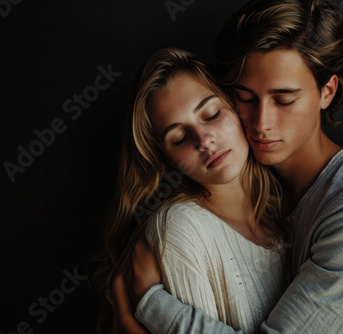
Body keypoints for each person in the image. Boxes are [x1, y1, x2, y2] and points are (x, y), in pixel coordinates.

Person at [116, 0, 343, 333]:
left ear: (326, 92)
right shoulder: (252, 195)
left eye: (284, 99)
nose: (261, 123)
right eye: (245, 98)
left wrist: (148, 306)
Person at [89, 47, 291, 334]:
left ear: (235, 106)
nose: (205, 141)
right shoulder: (180, 228)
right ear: (166, 160)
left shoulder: (287, 208)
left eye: (210, 114)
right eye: (180, 137)